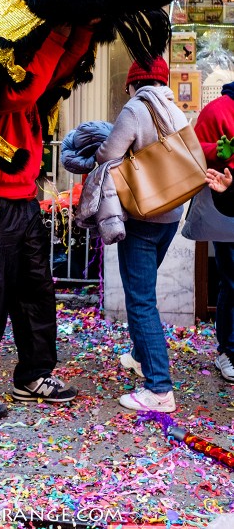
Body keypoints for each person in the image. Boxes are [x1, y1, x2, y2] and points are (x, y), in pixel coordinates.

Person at [0, 22, 96, 420]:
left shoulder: (36, 79)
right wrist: (58, 31)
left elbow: (62, 69)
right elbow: (26, 92)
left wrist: (85, 24)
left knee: (37, 291)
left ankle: (33, 375)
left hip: (27, 203)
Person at [96, 57, 188, 413]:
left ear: (131, 85)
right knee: (143, 291)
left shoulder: (136, 108)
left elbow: (109, 153)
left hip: (142, 215)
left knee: (140, 299)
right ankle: (138, 354)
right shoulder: (172, 107)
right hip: (170, 216)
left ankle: (159, 389)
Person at [194, 83, 234, 383]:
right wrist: (215, 153)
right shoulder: (216, 110)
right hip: (226, 209)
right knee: (232, 280)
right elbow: (192, 152)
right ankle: (228, 350)